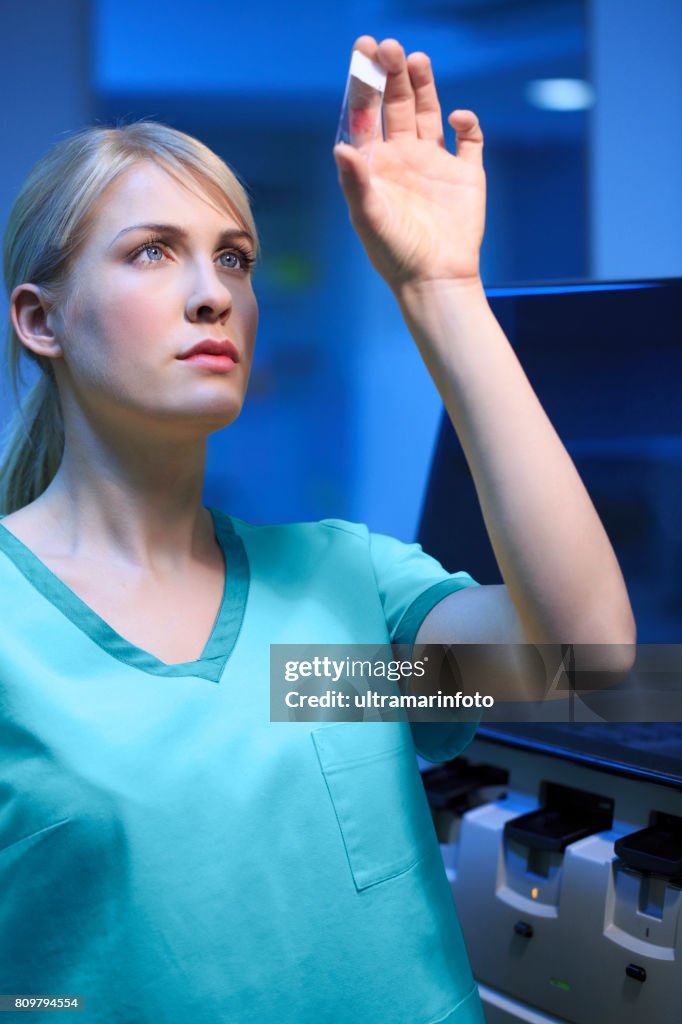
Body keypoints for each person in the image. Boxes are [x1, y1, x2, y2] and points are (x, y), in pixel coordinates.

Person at [0, 35, 634, 1024]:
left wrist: (441, 290)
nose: (214, 292)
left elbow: (584, 656)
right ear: (41, 321)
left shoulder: (347, 582)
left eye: (234, 258)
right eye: (151, 251)